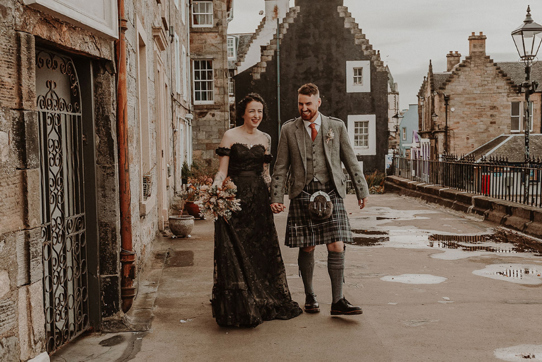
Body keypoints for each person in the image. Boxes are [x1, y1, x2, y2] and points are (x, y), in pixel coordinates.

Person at [270, 83, 369, 316]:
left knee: (337, 244)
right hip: (302, 193)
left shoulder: (336, 126)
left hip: (331, 192)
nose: (304, 108)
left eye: (308, 104)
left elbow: (350, 160)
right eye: (300, 104)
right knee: (308, 245)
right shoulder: (288, 130)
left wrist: (361, 189)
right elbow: (281, 166)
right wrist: (276, 195)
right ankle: (310, 295)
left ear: (318, 102)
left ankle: (338, 300)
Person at [211, 93, 303, 327]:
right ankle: (241, 302)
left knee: (260, 249)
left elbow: (265, 174)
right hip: (234, 200)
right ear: (243, 113)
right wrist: (214, 190)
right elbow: (222, 171)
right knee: (235, 250)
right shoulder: (229, 136)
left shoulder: (266, 138)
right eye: (252, 111)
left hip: (259, 203)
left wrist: (275, 197)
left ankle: (262, 297)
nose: (256, 115)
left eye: (260, 111)